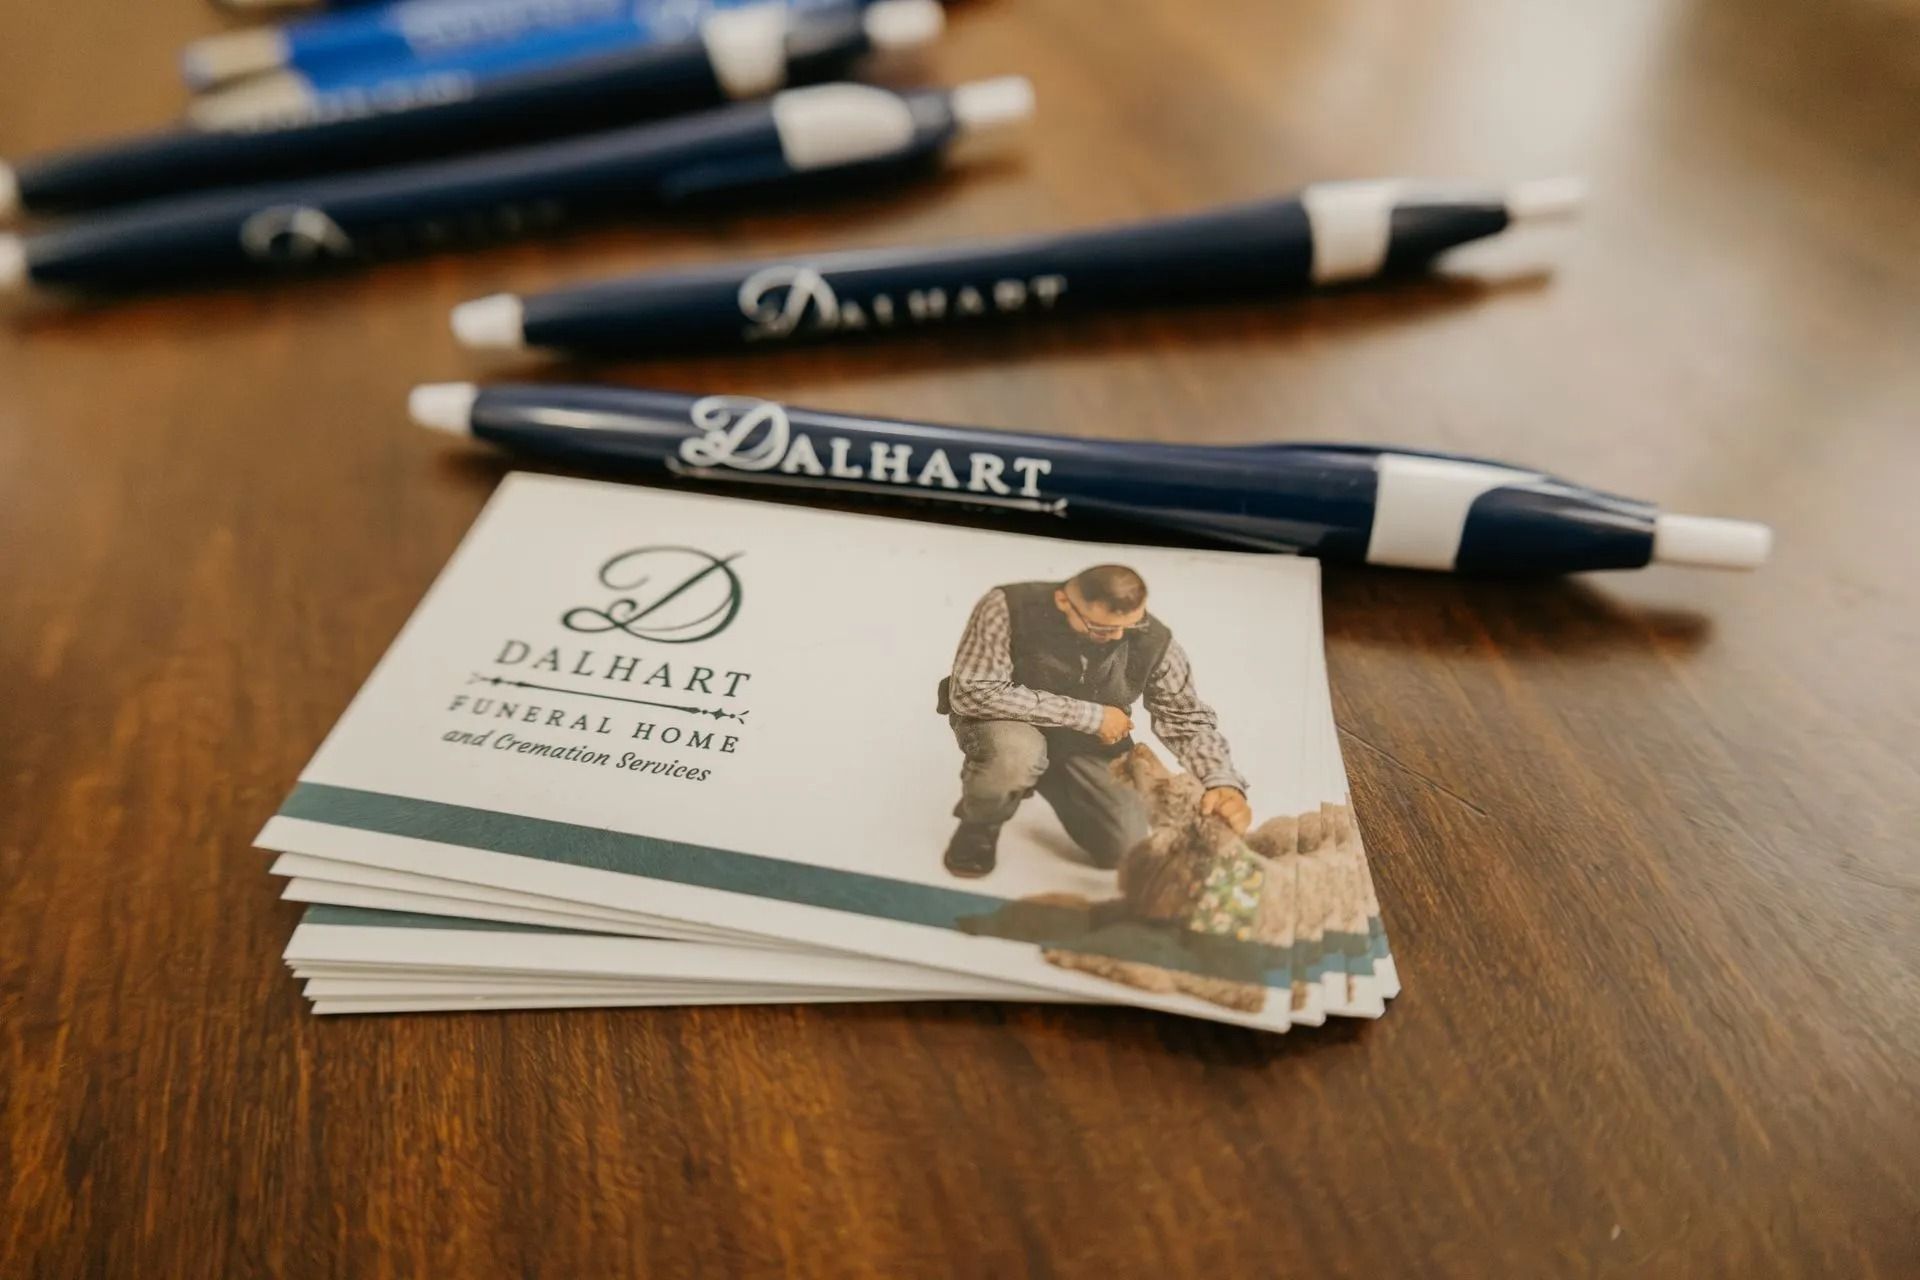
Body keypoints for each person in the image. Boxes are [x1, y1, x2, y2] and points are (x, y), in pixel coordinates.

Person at [937, 564, 1251, 878]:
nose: (1117, 637)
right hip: (1006, 722)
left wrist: (1220, 779)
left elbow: (1185, 717)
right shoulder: (1007, 605)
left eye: (1130, 625)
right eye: (1100, 628)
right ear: (1063, 601)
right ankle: (981, 821)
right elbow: (972, 692)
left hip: (1085, 742)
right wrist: (1090, 715)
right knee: (1016, 755)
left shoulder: (1155, 640)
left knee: (1123, 848)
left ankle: (1041, 774)